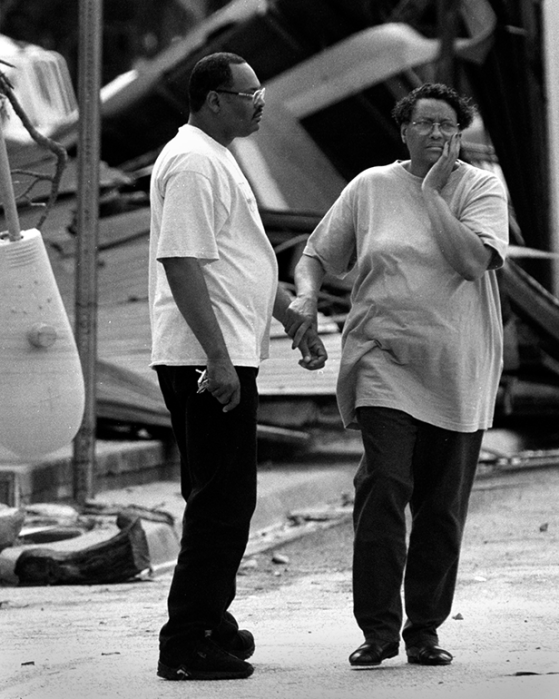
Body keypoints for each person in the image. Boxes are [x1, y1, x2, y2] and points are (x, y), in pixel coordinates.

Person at [288, 83, 509, 668]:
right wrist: (306, 301)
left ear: (460, 134)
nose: (437, 134)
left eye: (448, 126)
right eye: (425, 123)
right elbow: (314, 255)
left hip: (457, 369)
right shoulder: (370, 187)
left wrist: (435, 194)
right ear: (404, 130)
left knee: (440, 507)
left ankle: (425, 631)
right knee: (383, 487)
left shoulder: (481, 188)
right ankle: (379, 630)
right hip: (383, 362)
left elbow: (470, 261)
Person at [149, 52, 326, 681]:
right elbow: (181, 261)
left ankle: (210, 616)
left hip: (217, 352)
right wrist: (219, 360)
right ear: (214, 99)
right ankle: (187, 641)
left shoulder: (214, 155)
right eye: (250, 95)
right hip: (207, 359)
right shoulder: (195, 162)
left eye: (261, 93)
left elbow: (238, 261)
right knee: (224, 500)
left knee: (213, 492)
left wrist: (291, 316)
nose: (259, 104)